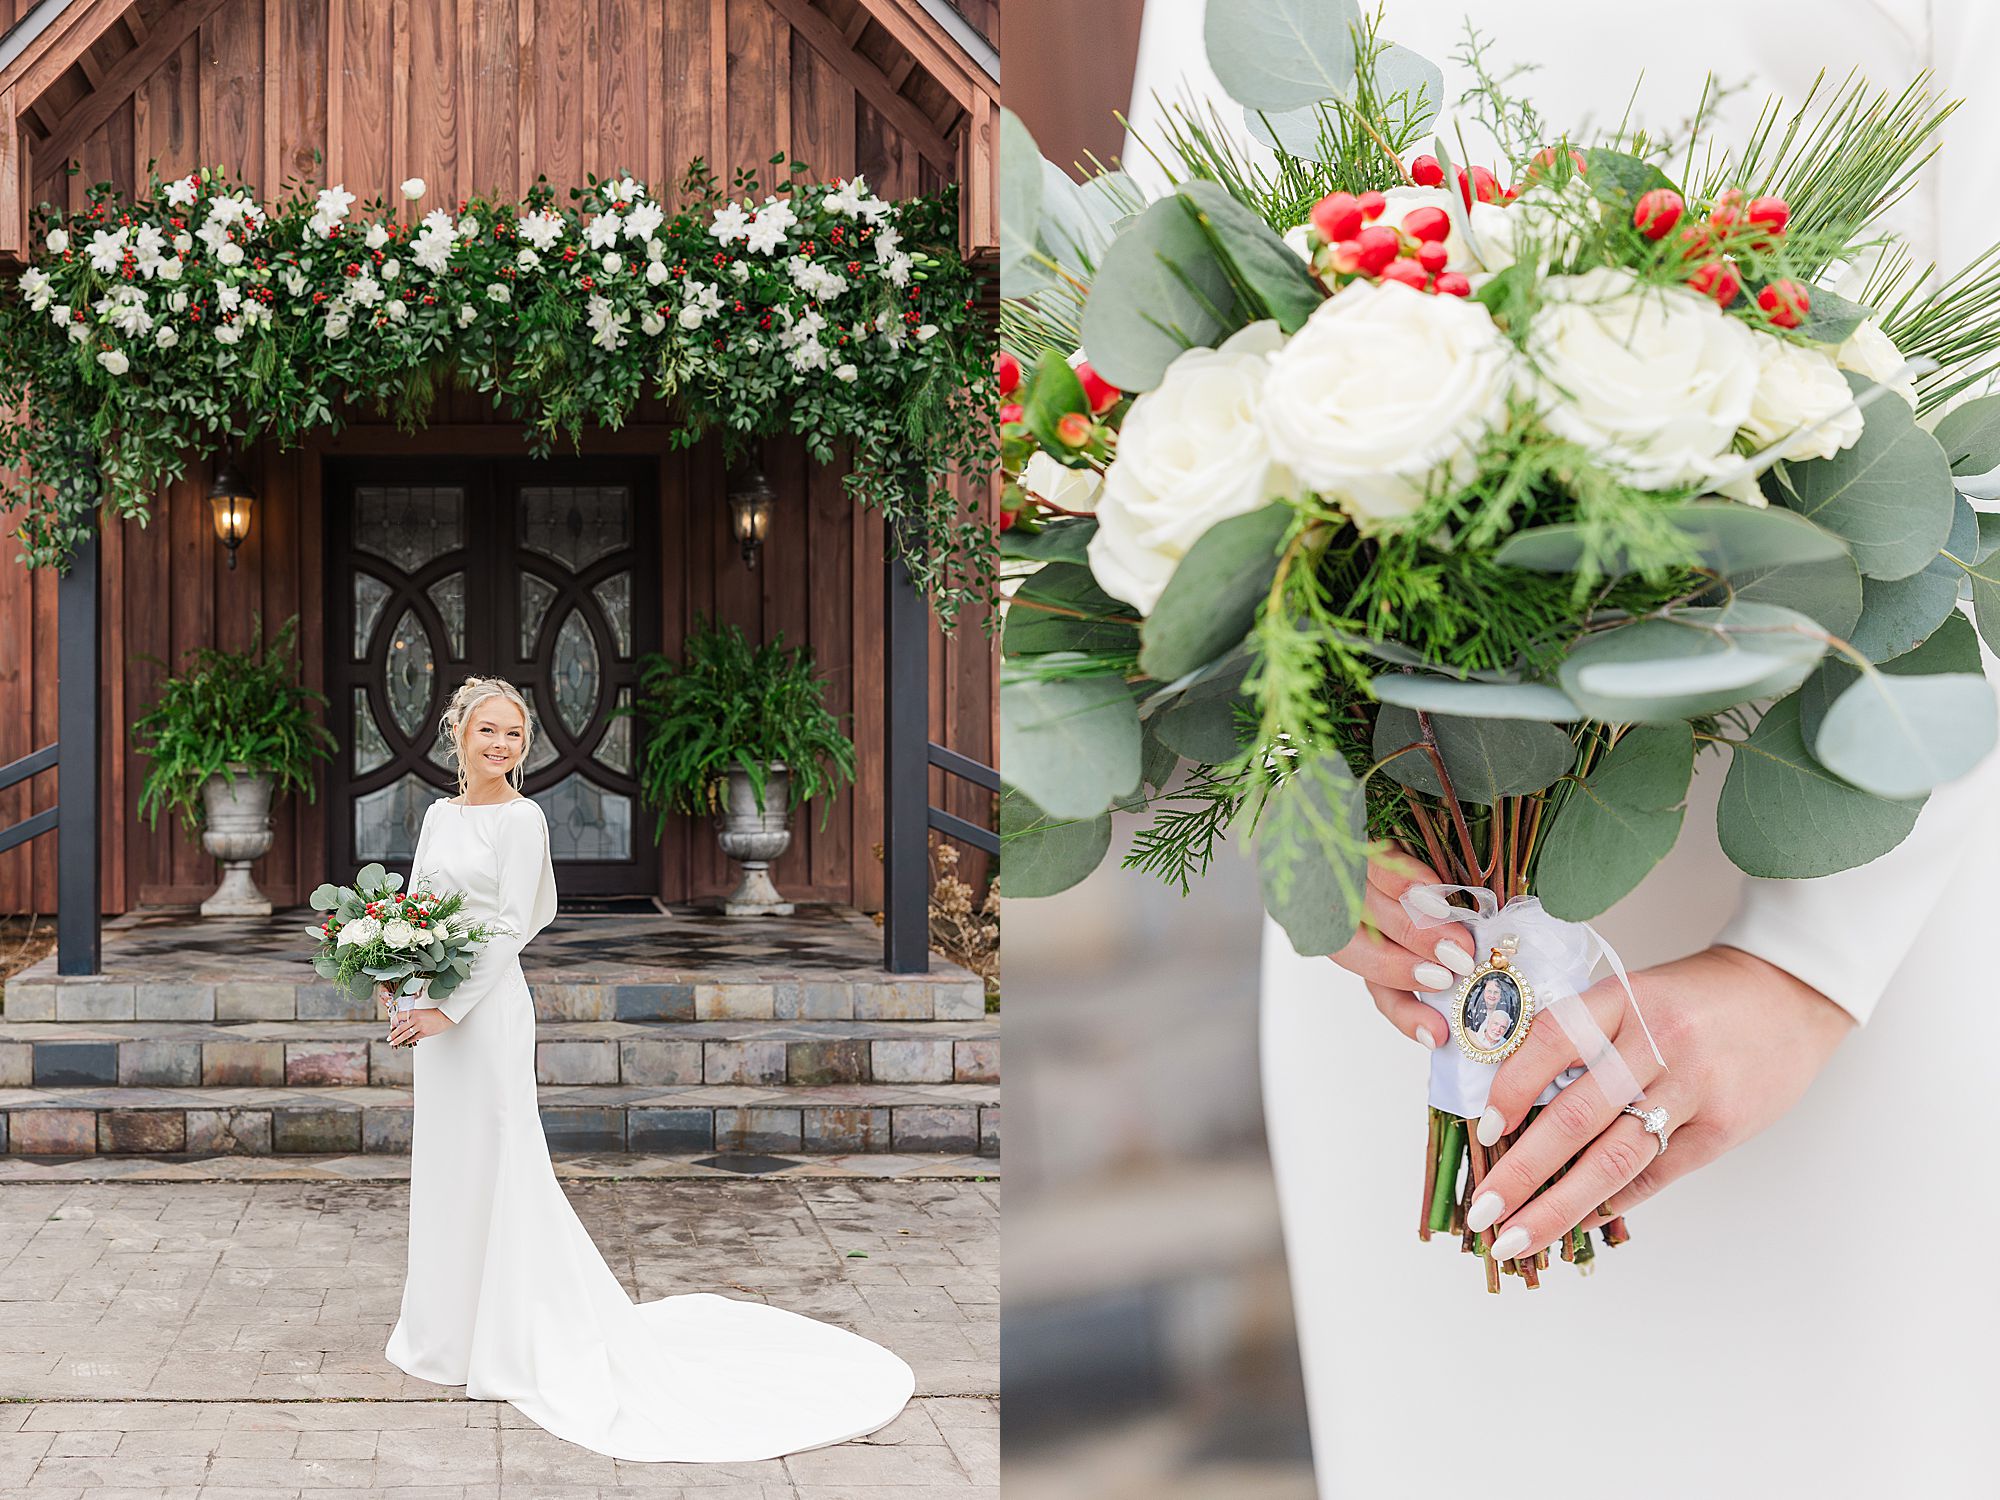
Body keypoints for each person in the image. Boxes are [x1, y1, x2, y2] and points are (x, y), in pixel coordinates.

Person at [1123, 1, 2000, 1493]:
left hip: (1861, 933)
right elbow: (1161, 390)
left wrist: (1805, 964)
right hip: (1413, 959)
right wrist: (1309, 804)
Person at [379, 676, 913, 1461]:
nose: (500, 746)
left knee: (499, 1159)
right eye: (488, 731)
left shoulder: (522, 820)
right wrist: (397, 979)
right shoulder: (436, 815)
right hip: (434, 1016)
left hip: (485, 1015)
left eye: (514, 737)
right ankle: (443, 1333)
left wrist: (446, 1007)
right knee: (448, 1164)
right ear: (458, 733)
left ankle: (510, 1334)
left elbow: (507, 927)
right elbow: (419, 907)